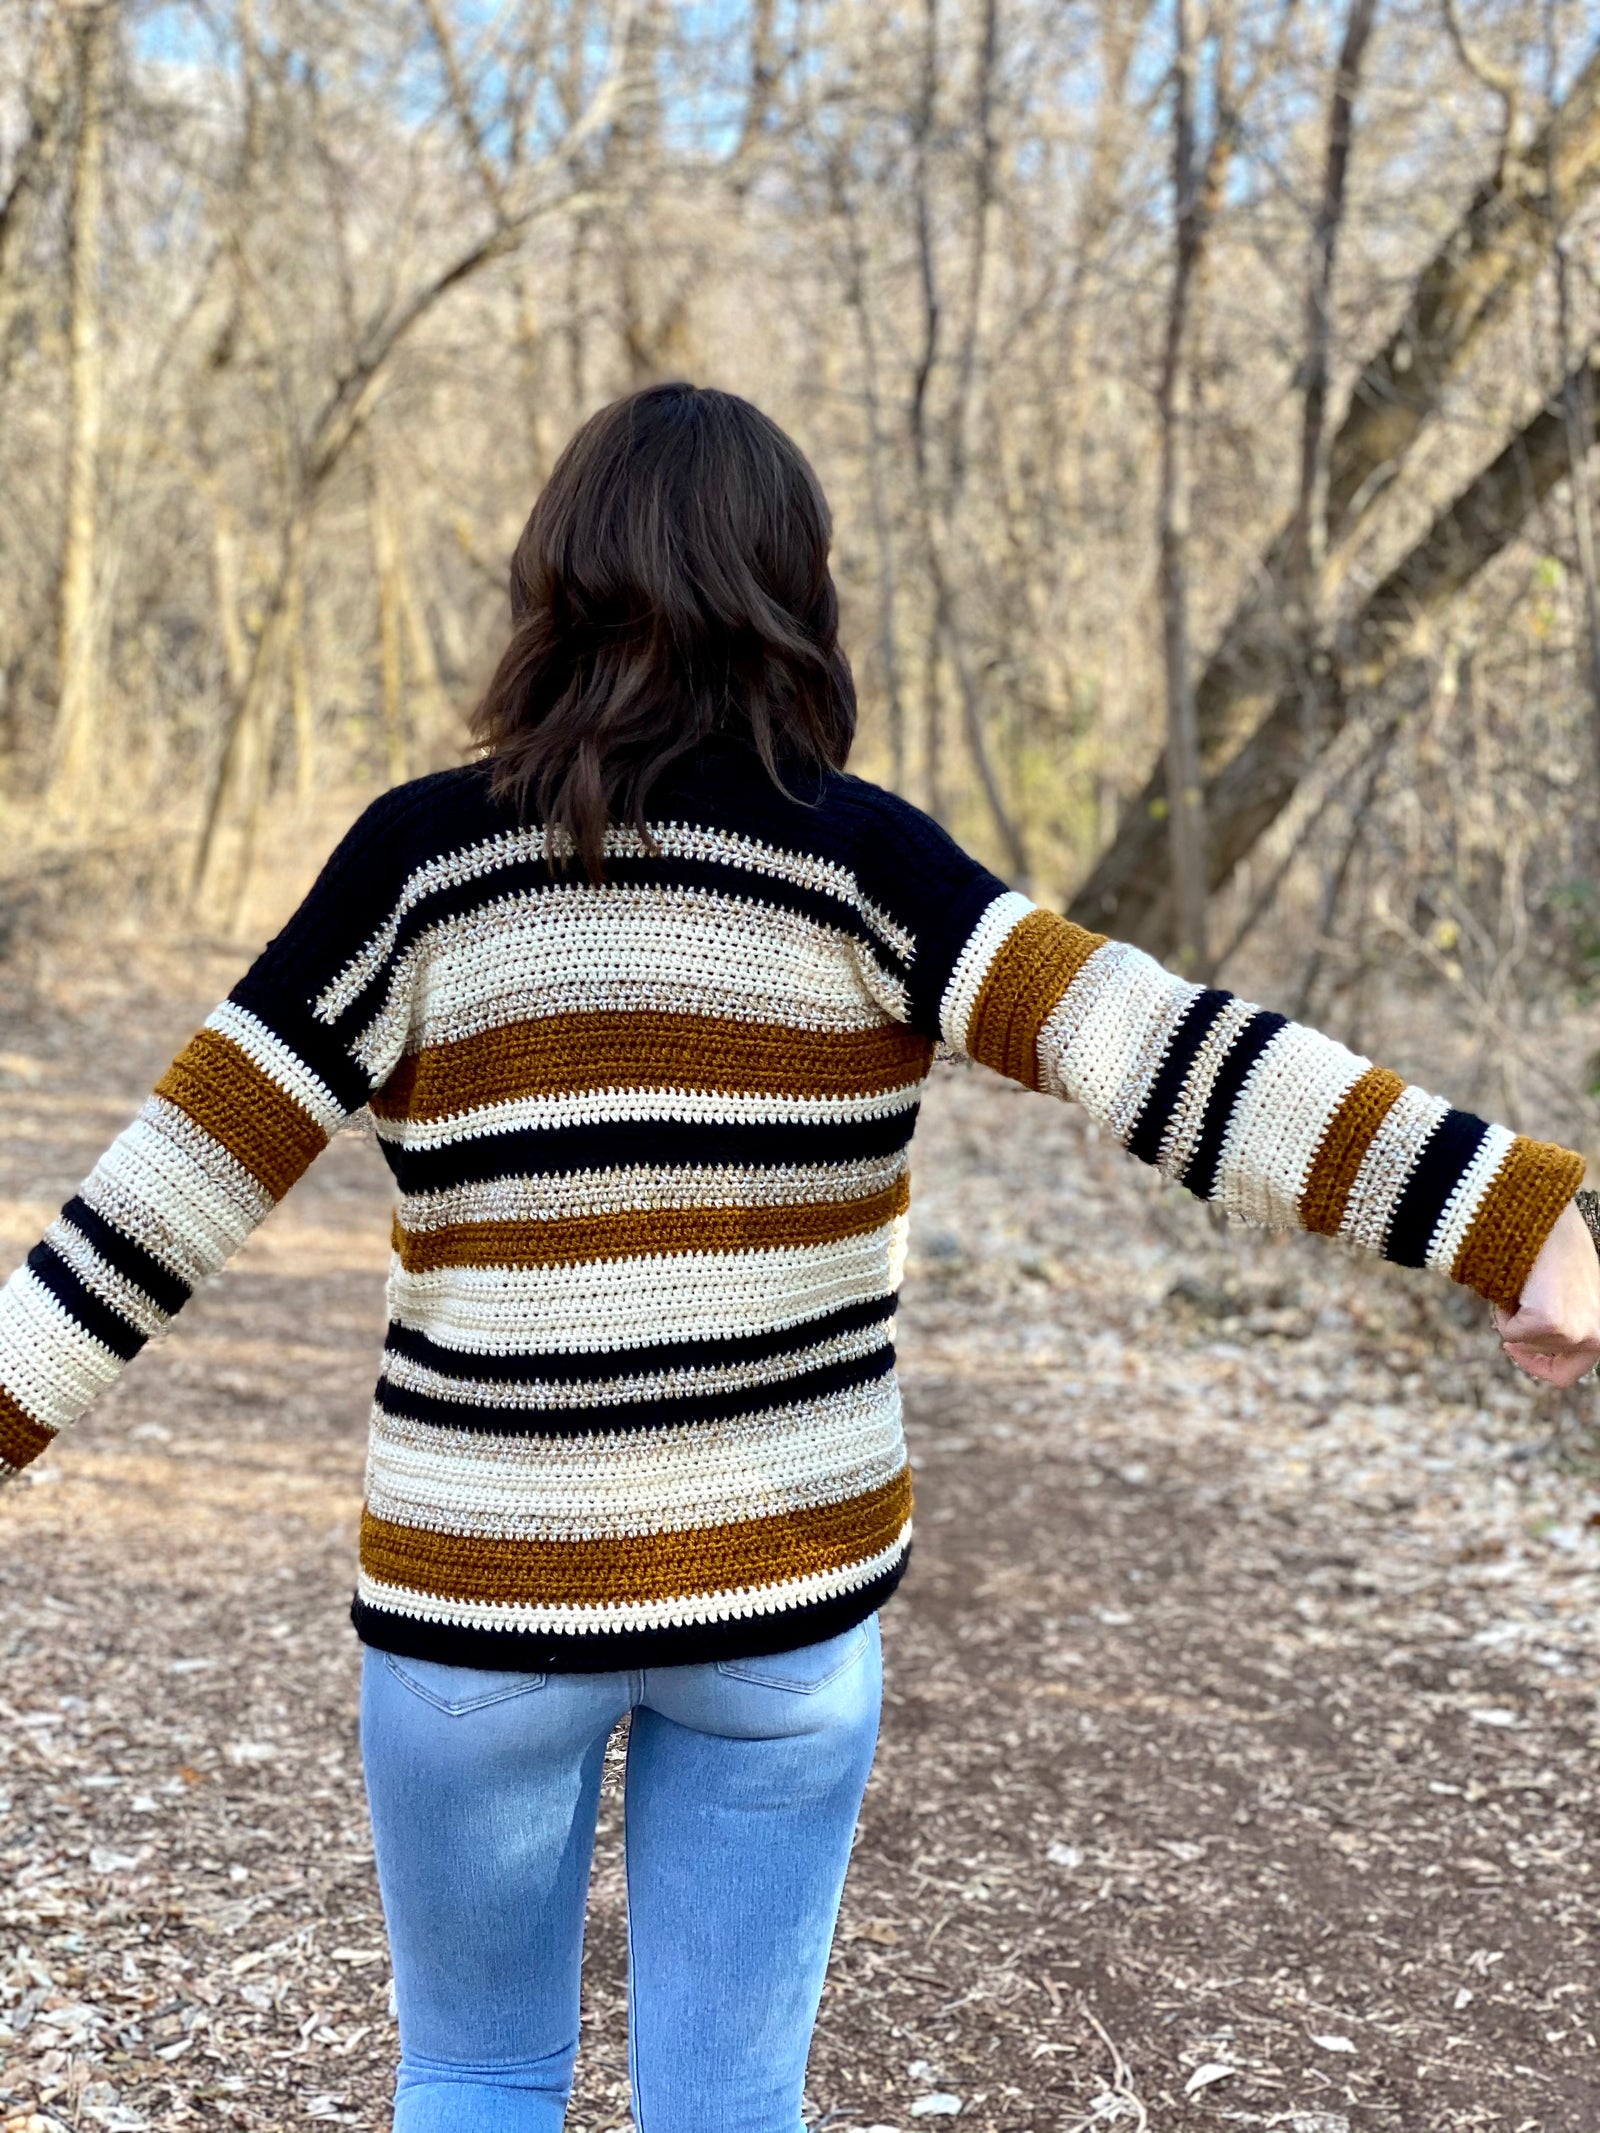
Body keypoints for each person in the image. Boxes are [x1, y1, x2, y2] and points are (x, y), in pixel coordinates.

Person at [1, 382, 1596, 2133]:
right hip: (778, 1602)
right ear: (796, 596)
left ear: (553, 584)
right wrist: (1506, 1215)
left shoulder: (419, 867)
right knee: (727, 2100)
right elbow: (1162, 1050)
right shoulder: (868, 866)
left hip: (481, 1595)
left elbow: (169, 1188)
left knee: (474, 2072)